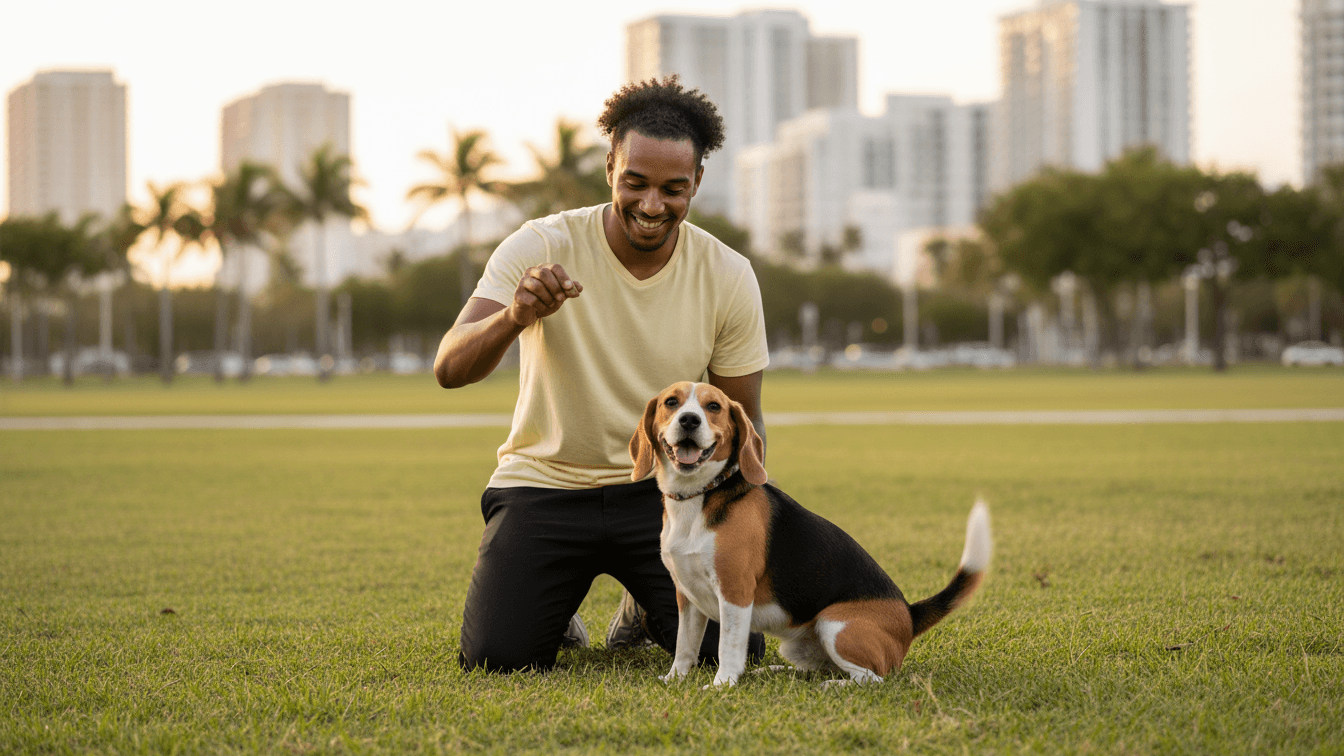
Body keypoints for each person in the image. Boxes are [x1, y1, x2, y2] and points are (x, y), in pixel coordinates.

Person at [436, 76, 769, 672]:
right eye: (635, 182)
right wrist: (515, 316)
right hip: (544, 485)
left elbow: (742, 420)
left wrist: (741, 526)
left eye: (673, 189)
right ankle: (555, 601)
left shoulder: (728, 273)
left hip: (663, 493)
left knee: (735, 648)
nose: (651, 205)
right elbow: (450, 367)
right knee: (497, 658)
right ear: (611, 165)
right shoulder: (541, 243)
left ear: (697, 183)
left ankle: (644, 605)